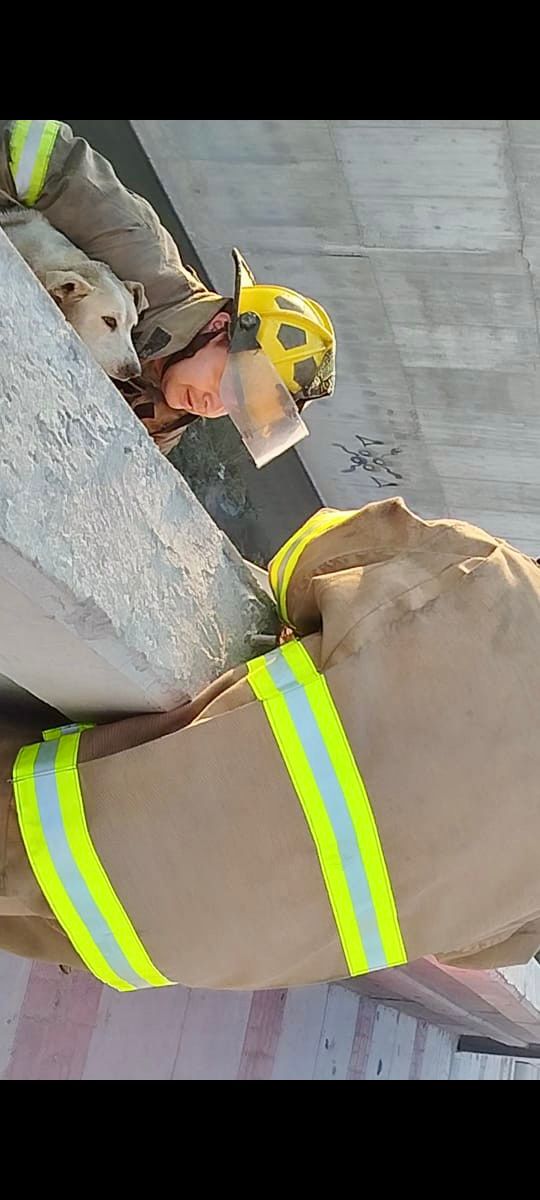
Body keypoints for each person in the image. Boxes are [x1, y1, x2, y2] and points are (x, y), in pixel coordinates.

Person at [3, 496, 540, 991]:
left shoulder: (493, 577)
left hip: (81, 823)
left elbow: (304, 561)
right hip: (156, 947)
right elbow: (474, 949)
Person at [0, 119, 336, 462]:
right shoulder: (136, 247)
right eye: (229, 384)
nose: (212, 407)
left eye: (236, 410)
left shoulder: (167, 422)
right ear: (219, 327)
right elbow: (32, 150)